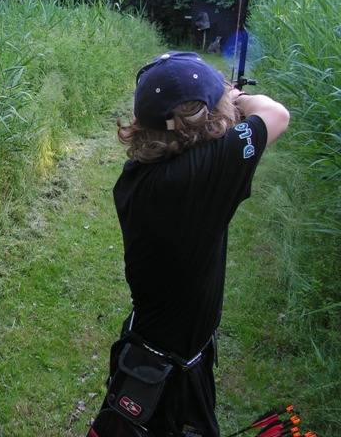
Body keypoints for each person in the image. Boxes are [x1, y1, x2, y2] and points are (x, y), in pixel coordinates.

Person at [87, 51, 290, 437]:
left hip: (161, 352)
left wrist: (212, 108)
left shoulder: (141, 175)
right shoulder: (203, 172)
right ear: (208, 118)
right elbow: (275, 114)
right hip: (169, 375)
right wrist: (236, 96)